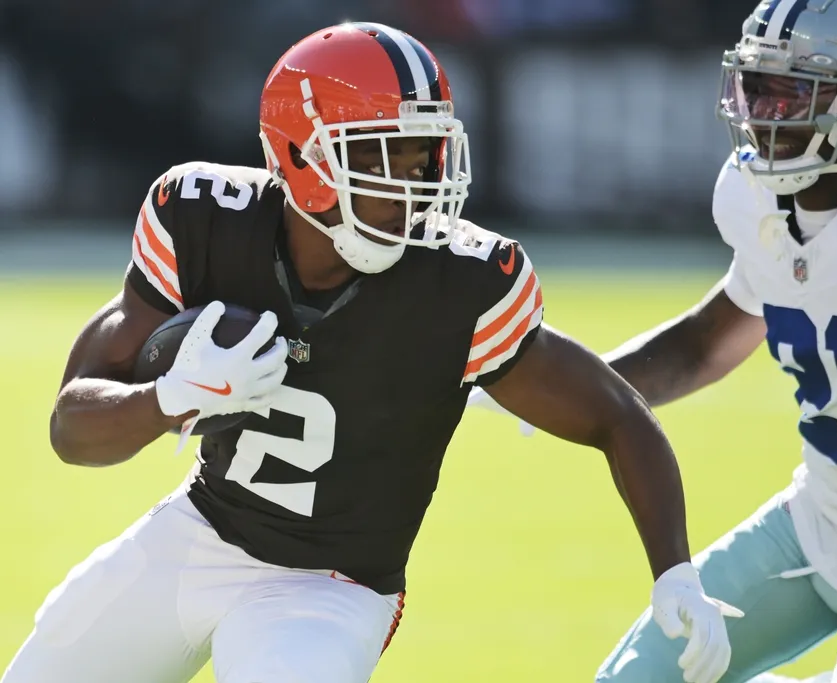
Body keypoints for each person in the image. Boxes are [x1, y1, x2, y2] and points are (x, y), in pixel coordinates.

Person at [2, 22, 739, 683]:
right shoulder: (203, 221)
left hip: (332, 586)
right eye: (387, 156)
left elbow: (616, 414)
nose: (418, 185)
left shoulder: (462, 283)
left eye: (426, 154)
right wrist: (170, 396)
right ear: (303, 161)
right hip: (201, 530)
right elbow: (72, 428)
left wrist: (674, 570)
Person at [471, 0, 837, 681]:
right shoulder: (757, 199)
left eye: (795, 92)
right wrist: (569, 388)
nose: (766, 112)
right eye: (757, 86)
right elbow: (704, 346)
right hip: (815, 526)